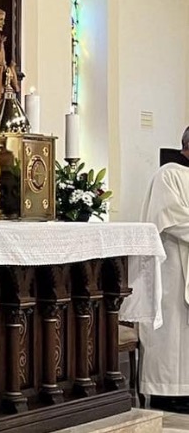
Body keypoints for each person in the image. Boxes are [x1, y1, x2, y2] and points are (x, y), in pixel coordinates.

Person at [140, 126, 189, 411]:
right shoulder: (168, 175)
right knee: (172, 332)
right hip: (173, 267)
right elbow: (172, 218)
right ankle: (166, 393)